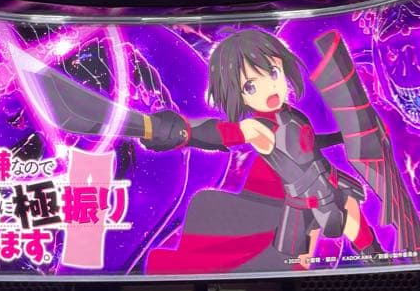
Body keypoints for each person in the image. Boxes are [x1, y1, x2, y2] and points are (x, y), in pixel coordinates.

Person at [143, 30, 381, 274]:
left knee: (351, 213)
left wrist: (342, 137)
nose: (268, 88)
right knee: (300, 257)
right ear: (238, 94)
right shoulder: (259, 128)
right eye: (251, 86)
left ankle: (381, 262)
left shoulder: (293, 114)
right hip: (301, 199)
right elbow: (222, 132)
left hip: (325, 181)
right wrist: (183, 131)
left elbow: (307, 145)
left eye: (273, 73)